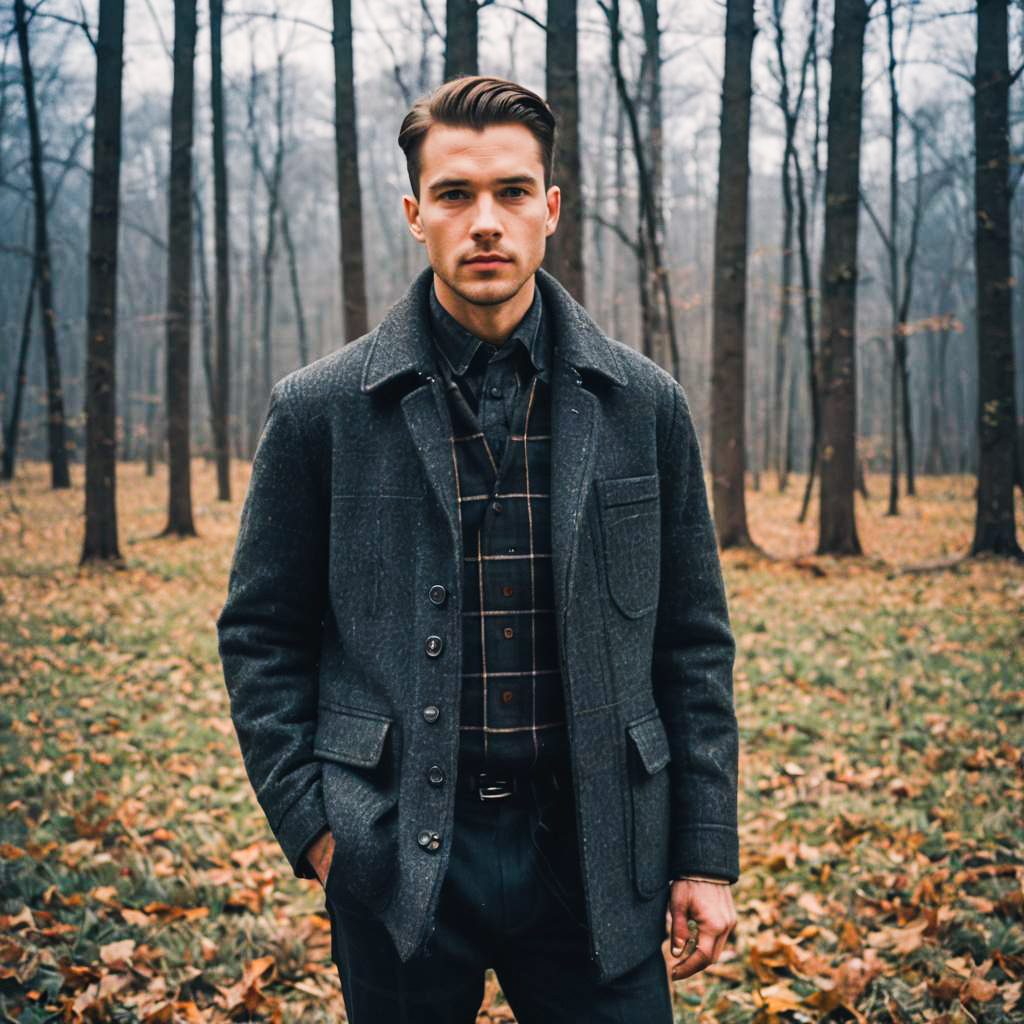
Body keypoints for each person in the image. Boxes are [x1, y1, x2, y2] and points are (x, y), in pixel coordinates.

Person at [217, 74, 739, 1023]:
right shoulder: (321, 412)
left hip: (600, 851)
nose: (484, 221)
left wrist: (703, 853)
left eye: (510, 193)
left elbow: (693, 645)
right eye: (455, 195)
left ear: (550, 208)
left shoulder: (644, 407)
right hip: (398, 852)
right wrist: (320, 828)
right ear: (417, 215)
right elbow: (260, 634)